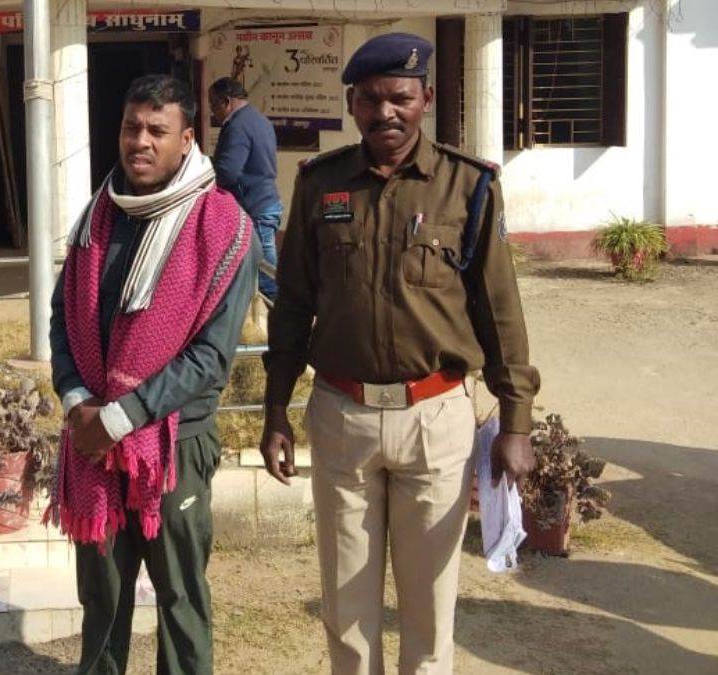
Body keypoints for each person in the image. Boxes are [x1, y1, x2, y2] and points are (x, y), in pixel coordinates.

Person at [259, 33, 540, 675]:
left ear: (426, 99)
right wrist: (275, 410)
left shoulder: (468, 187)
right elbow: (293, 305)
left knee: (429, 611)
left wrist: (516, 422)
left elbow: (500, 312)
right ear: (352, 104)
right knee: (346, 610)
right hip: (343, 417)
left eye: (400, 98)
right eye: (370, 99)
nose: (385, 112)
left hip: (434, 418)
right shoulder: (320, 184)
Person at [47, 73, 258, 675]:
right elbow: (63, 316)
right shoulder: (98, 216)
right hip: (94, 443)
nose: (139, 141)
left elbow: (210, 358)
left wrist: (120, 417)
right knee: (102, 598)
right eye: (130, 127)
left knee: (180, 598)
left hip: (174, 444)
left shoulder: (223, 228)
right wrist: (76, 398)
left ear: (187, 139)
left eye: (156, 131)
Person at [208, 77, 282, 299]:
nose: (213, 112)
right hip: (266, 202)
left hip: (254, 206)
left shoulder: (237, 125)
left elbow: (227, 172)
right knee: (264, 270)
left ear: (226, 101)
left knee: (265, 276)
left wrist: (205, 169)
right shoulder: (260, 119)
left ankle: (282, 317)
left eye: (213, 104)